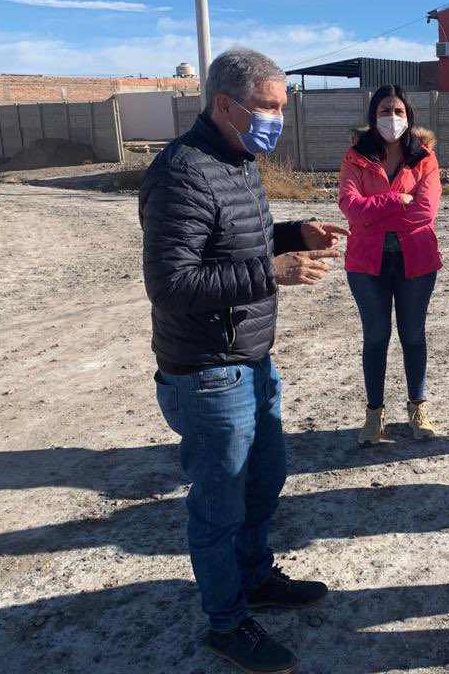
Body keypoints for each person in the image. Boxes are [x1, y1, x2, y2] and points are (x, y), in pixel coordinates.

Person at [140, 47, 348, 674]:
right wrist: (274, 270)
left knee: (265, 483)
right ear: (225, 105)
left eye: (282, 109)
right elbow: (171, 284)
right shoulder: (181, 172)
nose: (277, 121)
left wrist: (292, 233)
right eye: (268, 108)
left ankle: (255, 578)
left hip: (252, 360)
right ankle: (226, 623)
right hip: (207, 371)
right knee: (219, 504)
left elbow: (233, 242)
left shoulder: (239, 160)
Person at [338, 85, 443, 445]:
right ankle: (374, 416)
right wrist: (396, 199)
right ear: (373, 116)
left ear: (409, 116)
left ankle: (418, 410)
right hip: (367, 264)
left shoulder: (424, 158)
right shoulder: (355, 157)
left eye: (399, 111)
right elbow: (350, 208)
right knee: (376, 337)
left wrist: (374, 213)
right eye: (385, 111)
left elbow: (425, 210)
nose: (392, 118)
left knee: (413, 336)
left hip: (416, 259)